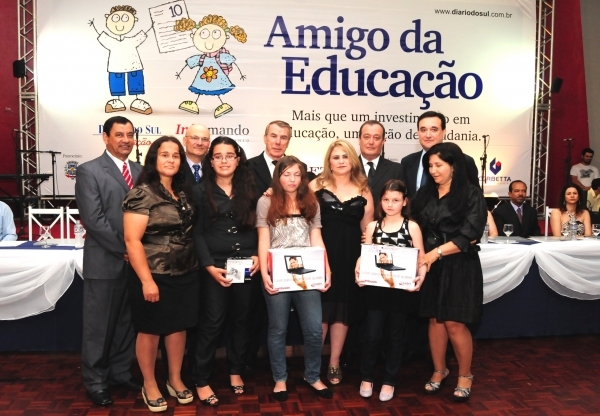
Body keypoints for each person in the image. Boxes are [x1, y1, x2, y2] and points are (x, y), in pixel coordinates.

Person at [123, 136, 198, 412]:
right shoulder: (141, 194)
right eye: (165, 155)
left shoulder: (184, 192)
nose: (171, 160)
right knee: (150, 329)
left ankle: (175, 379)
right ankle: (150, 384)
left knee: (179, 326)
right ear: (154, 159)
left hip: (186, 271)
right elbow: (132, 241)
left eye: (176, 155)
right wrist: (147, 281)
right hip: (154, 272)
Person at [412, 142, 487, 402]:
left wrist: (435, 253)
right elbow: (413, 225)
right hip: (430, 265)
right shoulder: (424, 194)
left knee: (454, 322)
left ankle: (465, 375)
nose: (433, 170)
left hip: (459, 265)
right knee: (435, 319)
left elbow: (471, 234)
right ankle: (439, 370)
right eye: (430, 165)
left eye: (439, 165)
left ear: (453, 166)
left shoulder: (471, 194)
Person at [75, 116, 142, 406]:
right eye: (119, 134)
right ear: (106, 137)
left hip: (136, 265)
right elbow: (94, 219)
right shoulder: (89, 171)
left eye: (130, 134)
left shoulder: (141, 171)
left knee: (126, 323)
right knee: (99, 328)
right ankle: (96, 381)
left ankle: (120, 372)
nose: (126, 140)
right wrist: (126, 249)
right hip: (105, 262)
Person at [257, 156, 333, 402]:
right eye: (286, 174)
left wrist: (326, 269)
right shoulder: (265, 201)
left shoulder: (311, 202)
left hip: (307, 273)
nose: (292, 179)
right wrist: (264, 273)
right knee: (278, 328)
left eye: (297, 174)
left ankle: (313, 376)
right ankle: (280, 378)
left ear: (303, 178)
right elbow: (263, 240)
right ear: (278, 176)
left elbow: (317, 238)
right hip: (277, 272)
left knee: (314, 329)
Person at [190, 137, 259, 406]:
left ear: (238, 159)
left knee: (241, 320)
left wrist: (257, 254)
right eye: (218, 156)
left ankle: (235, 371)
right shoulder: (199, 191)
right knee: (213, 322)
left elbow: (258, 226)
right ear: (210, 161)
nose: (224, 161)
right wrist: (209, 266)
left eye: (229, 155)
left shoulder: (251, 189)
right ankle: (201, 379)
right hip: (215, 266)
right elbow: (196, 233)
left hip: (245, 264)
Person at [354, 180, 427, 402]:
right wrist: (358, 269)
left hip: (400, 292)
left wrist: (421, 277)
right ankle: (367, 377)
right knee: (372, 335)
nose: (390, 204)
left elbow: (421, 258)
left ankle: (389, 380)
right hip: (376, 290)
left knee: (395, 337)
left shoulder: (411, 227)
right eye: (386, 199)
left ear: (404, 202)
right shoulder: (372, 227)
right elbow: (365, 255)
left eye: (395, 200)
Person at [310, 139, 374, 385]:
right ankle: (314, 365)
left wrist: (364, 259)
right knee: (320, 312)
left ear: (352, 160)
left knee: (342, 312)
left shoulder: (364, 189)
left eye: (345, 156)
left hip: (350, 257)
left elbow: (368, 230)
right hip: (321, 254)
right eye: (336, 157)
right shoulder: (315, 185)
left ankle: (334, 363)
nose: (340, 161)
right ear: (329, 161)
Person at [90, 5, 153, 114]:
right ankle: (117, 100)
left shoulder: (132, 40)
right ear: (108, 18)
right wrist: (94, 24)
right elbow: (101, 35)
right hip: (116, 67)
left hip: (134, 66)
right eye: (115, 18)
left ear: (134, 20)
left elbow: (143, 34)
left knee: (135, 82)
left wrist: (152, 24)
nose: (120, 23)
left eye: (125, 19)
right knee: (117, 82)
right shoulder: (111, 41)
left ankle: (136, 100)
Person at [400, 111, 479, 198]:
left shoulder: (464, 161)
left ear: (444, 132)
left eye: (434, 130)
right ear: (418, 133)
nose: (428, 135)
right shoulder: (407, 161)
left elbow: (476, 197)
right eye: (423, 130)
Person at [357, 120, 403, 203]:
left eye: (376, 138)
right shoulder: (349, 167)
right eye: (366, 137)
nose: (371, 142)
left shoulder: (396, 170)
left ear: (383, 142)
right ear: (359, 140)